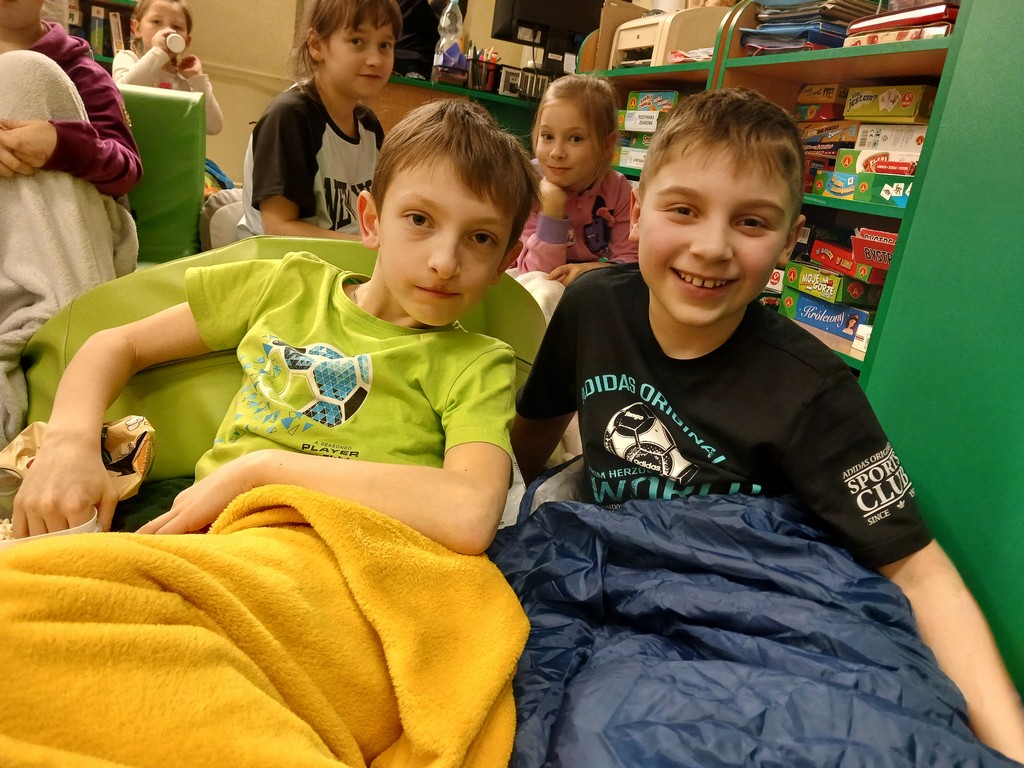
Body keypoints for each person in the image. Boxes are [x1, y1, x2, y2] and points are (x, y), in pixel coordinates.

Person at [0, 99, 538, 764]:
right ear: (371, 220)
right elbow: (115, 344)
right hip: (220, 553)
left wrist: (260, 470)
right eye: (420, 220)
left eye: (480, 238)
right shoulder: (285, 286)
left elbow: (470, 511)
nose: (444, 261)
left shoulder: (476, 362)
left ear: (507, 259)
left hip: (342, 570)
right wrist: (69, 445)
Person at [511, 87, 1024, 762]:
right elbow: (532, 436)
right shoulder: (591, 307)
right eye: (683, 209)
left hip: (770, 604)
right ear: (638, 208)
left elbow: (918, 569)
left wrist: (1014, 744)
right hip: (622, 592)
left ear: (789, 240)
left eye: (751, 222)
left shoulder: (812, 387)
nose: (711, 247)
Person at [0, 0, 141, 449]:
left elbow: (126, 168)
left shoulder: (79, 68)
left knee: (26, 72)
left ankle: (69, 349)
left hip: (79, 236)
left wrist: (59, 144)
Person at [236, 0, 400, 241]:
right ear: (316, 45)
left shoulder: (369, 127)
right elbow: (278, 229)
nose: (375, 59)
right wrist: (370, 246)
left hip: (343, 259)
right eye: (357, 41)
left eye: (385, 45)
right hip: (280, 260)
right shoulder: (290, 117)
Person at [511, 74, 638, 288]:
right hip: (531, 281)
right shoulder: (527, 182)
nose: (556, 152)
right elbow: (536, 276)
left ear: (607, 144)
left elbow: (631, 264)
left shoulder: (618, 190)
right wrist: (552, 213)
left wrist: (588, 271)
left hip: (589, 283)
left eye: (575, 139)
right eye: (547, 136)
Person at [111, 0, 224, 136]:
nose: (167, 31)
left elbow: (214, 127)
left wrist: (198, 79)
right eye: (157, 22)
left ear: (186, 41)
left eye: (176, 26)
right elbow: (120, 96)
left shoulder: (185, 81)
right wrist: (158, 52)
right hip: (133, 147)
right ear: (137, 28)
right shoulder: (127, 59)